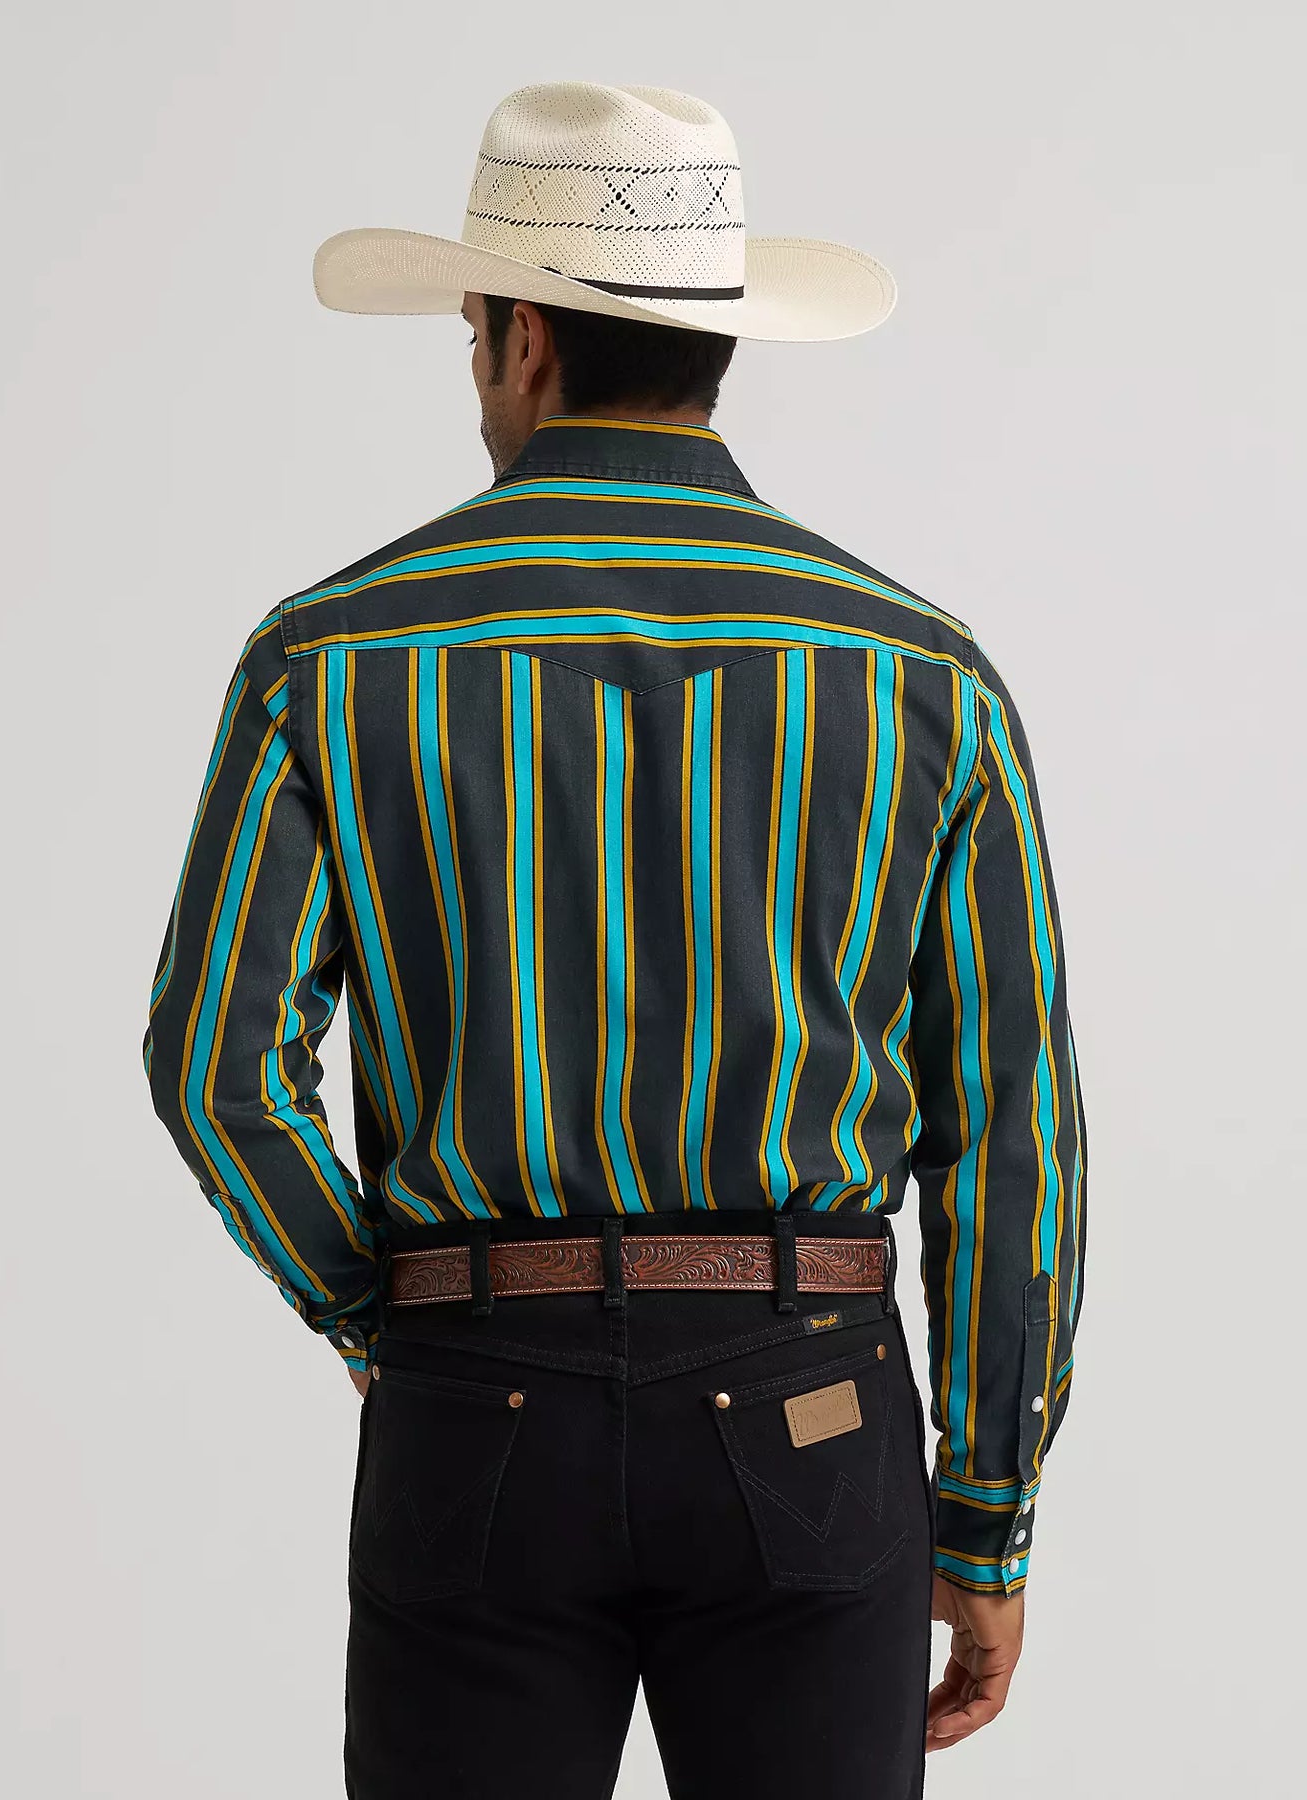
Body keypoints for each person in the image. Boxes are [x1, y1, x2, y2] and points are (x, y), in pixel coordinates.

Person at [142, 80, 1086, 1800]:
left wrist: (385, 1318)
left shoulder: (330, 658)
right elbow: (1012, 1130)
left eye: (470, 337)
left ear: (519, 338)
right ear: (716, 342)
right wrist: (990, 1517)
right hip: (812, 1404)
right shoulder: (921, 671)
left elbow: (216, 1069)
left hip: (473, 1398)